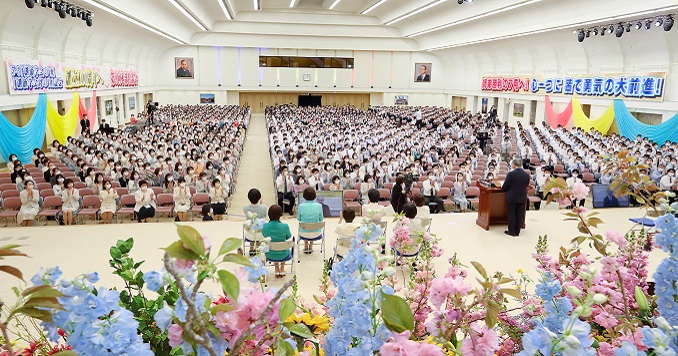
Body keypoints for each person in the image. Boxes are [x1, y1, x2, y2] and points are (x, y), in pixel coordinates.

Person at [501, 158, 530, 237]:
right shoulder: (526, 175)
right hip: (522, 197)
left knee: (512, 214)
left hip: (512, 197)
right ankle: (517, 231)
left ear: (514, 165)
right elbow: (526, 185)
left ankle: (512, 232)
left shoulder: (511, 174)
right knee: (520, 214)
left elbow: (504, 187)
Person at [262, 204, 293, 278]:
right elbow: (288, 236)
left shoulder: (265, 226)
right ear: (280, 214)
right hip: (284, 254)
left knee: (272, 246)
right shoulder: (285, 226)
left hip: (270, 254)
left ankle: (276, 268)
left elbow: (264, 236)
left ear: (269, 214)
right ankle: (282, 269)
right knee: (284, 246)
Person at [297, 187, 324, 254]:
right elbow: (321, 219)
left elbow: (299, 219)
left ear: (304, 196)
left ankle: (306, 246)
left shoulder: (300, 206)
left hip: (303, 234)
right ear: (315, 196)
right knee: (314, 225)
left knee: (304, 225)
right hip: (316, 233)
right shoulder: (319, 206)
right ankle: (311, 246)